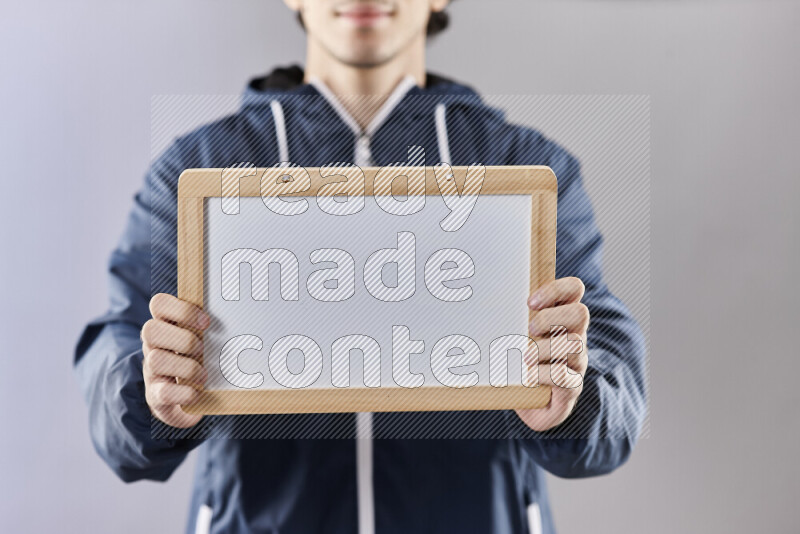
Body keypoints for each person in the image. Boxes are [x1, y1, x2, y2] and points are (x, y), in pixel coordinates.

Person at [74, 1, 648, 533]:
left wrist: (575, 400)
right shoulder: (198, 170)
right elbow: (115, 374)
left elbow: (614, 390)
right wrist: (149, 393)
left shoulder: (525, 171)